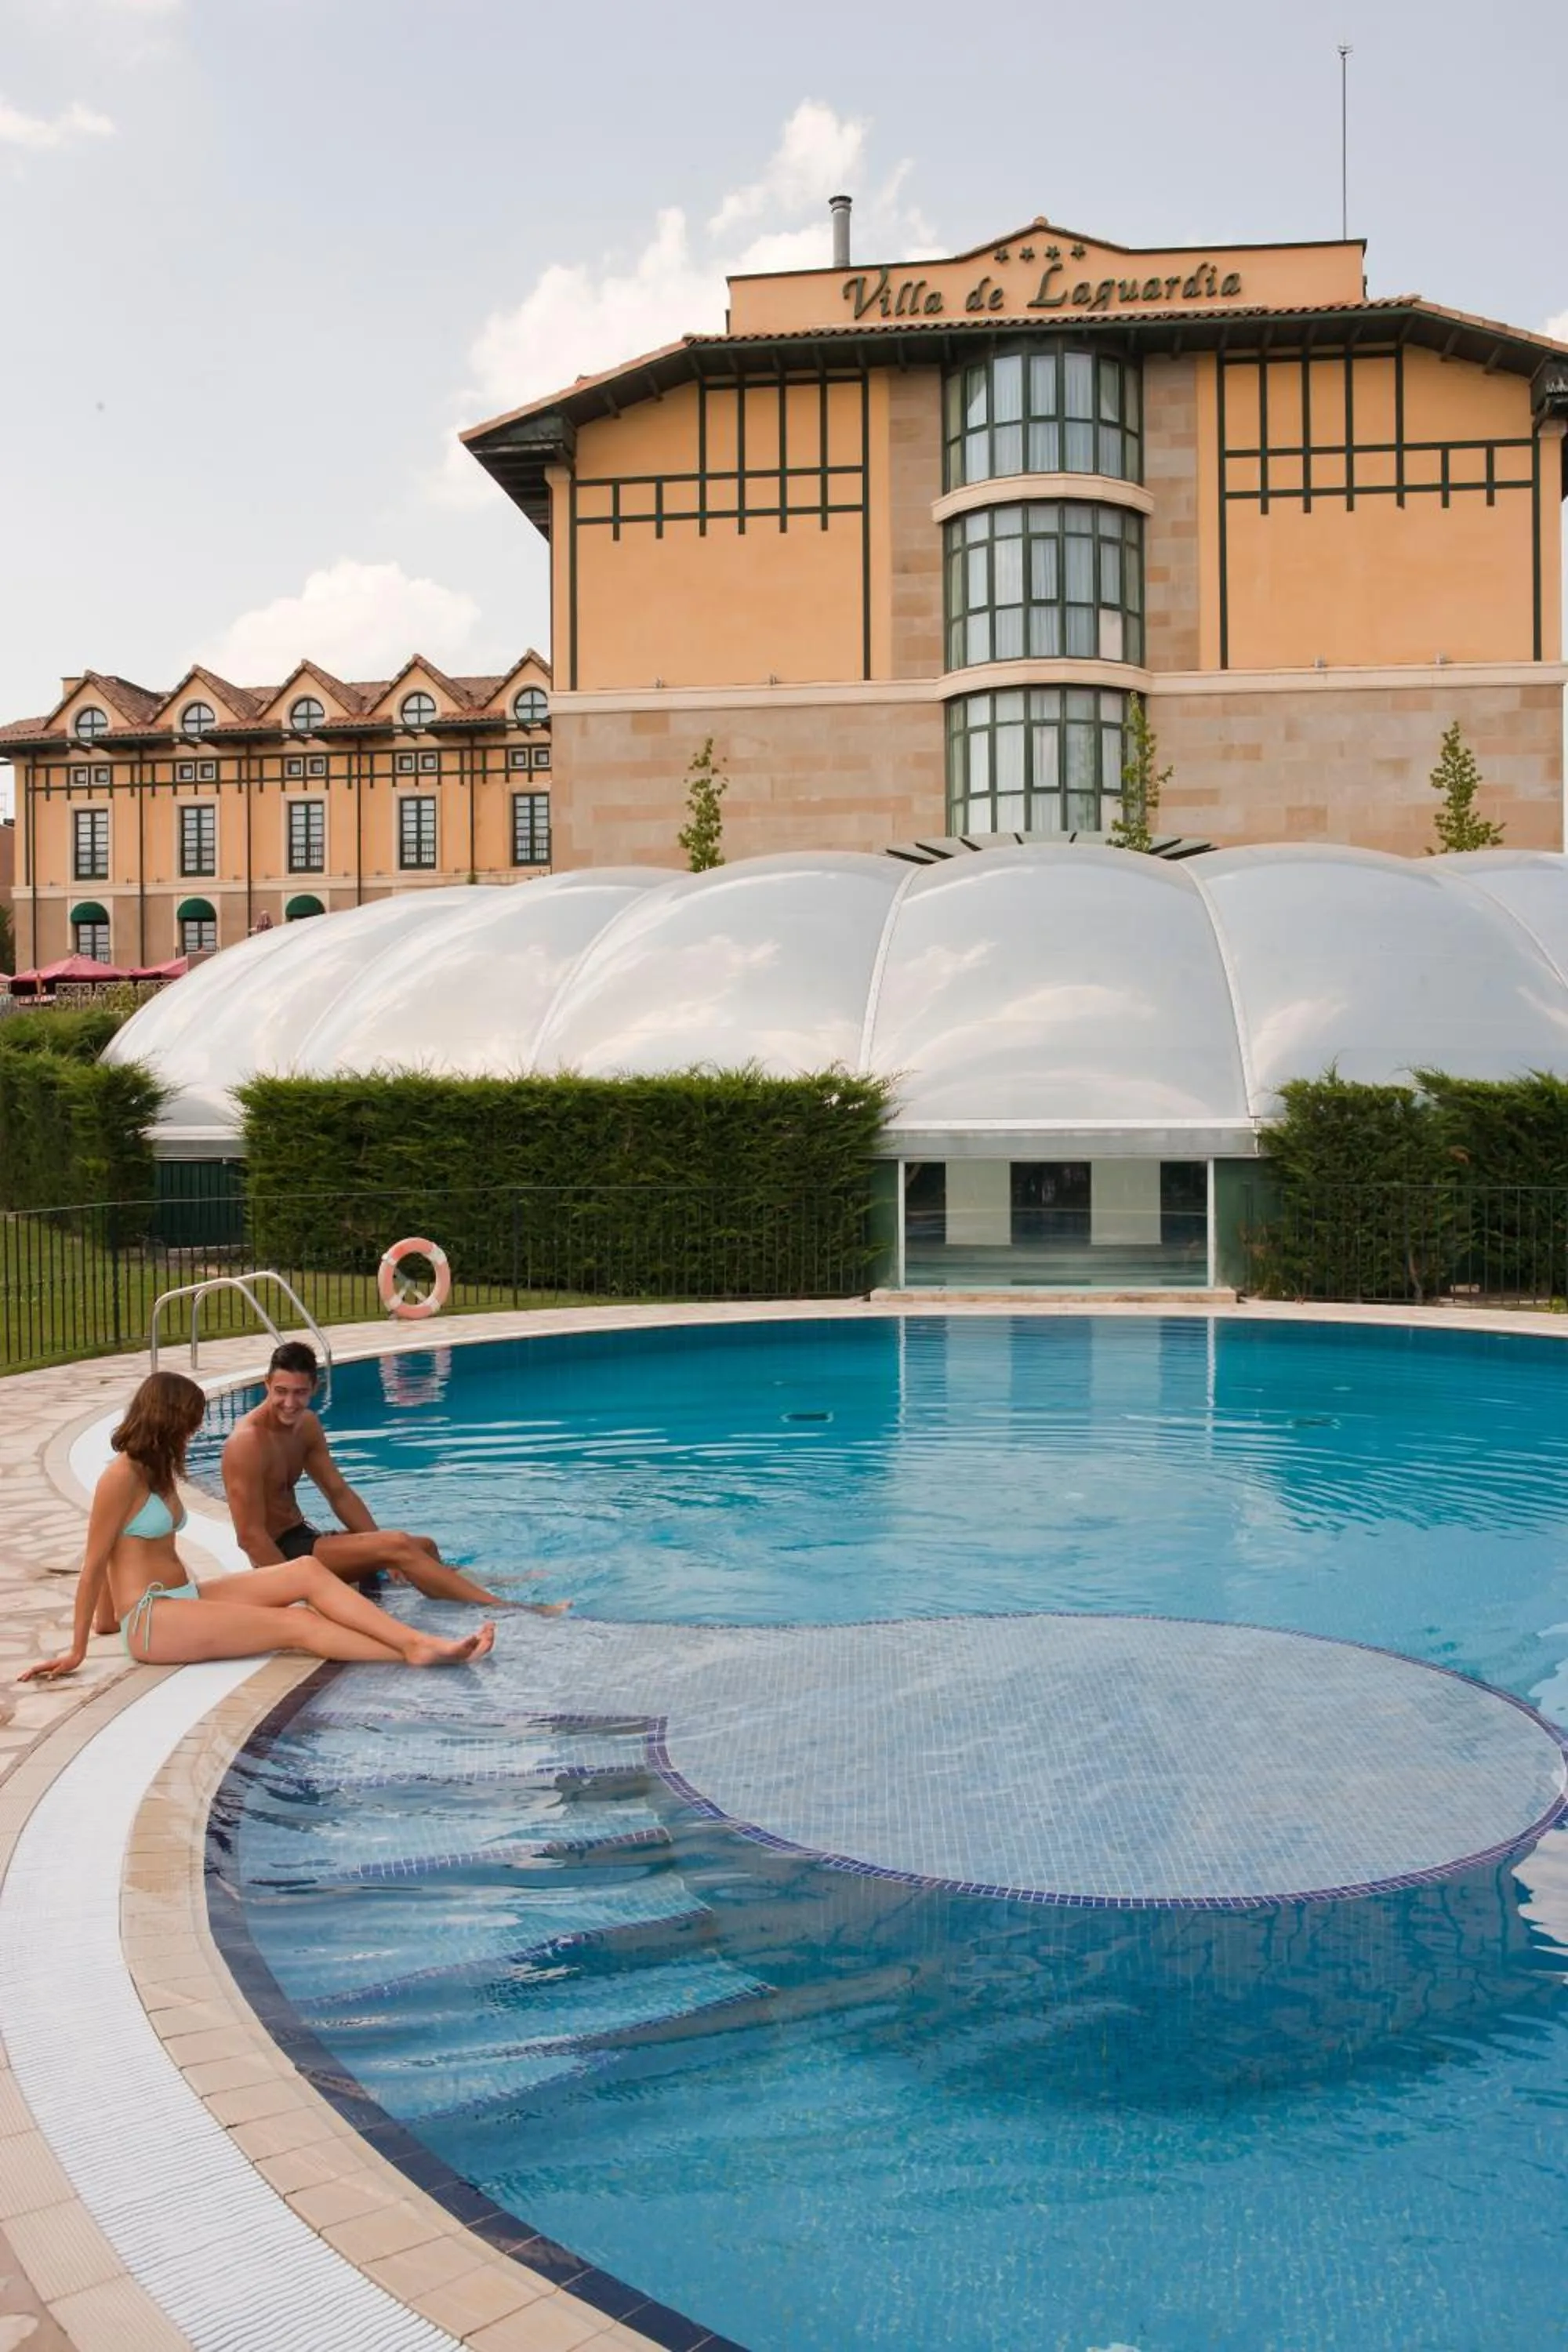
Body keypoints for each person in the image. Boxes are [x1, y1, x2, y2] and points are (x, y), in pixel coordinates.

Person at [20, 1371, 495, 1681]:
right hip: (153, 1622)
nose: (195, 1431)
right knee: (297, 1623)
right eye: (190, 1421)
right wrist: (78, 1649)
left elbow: (127, 1552)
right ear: (167, 1418)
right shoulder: (121, 1475)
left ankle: (411, 1641)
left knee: (306, 1572)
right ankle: (415, 1650)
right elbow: (95, 1562)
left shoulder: (157, 1465)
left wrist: (106, 1621)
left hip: (182, 1599)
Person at [221, 1341, 565, 1613]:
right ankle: (511, 1609)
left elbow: (339, 1493)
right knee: (398, 1545)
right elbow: (250, 1537)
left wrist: (378, 1546)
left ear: (315, 1387)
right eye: (280, 1391)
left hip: (304, 1537)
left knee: (423, 1547)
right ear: (267, 1384)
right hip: (283, 1554)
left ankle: (486, 1585)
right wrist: (296, 1593)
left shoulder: (306, 1425)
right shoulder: (247, 1443)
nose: (289, 1402)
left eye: (299, 1392)